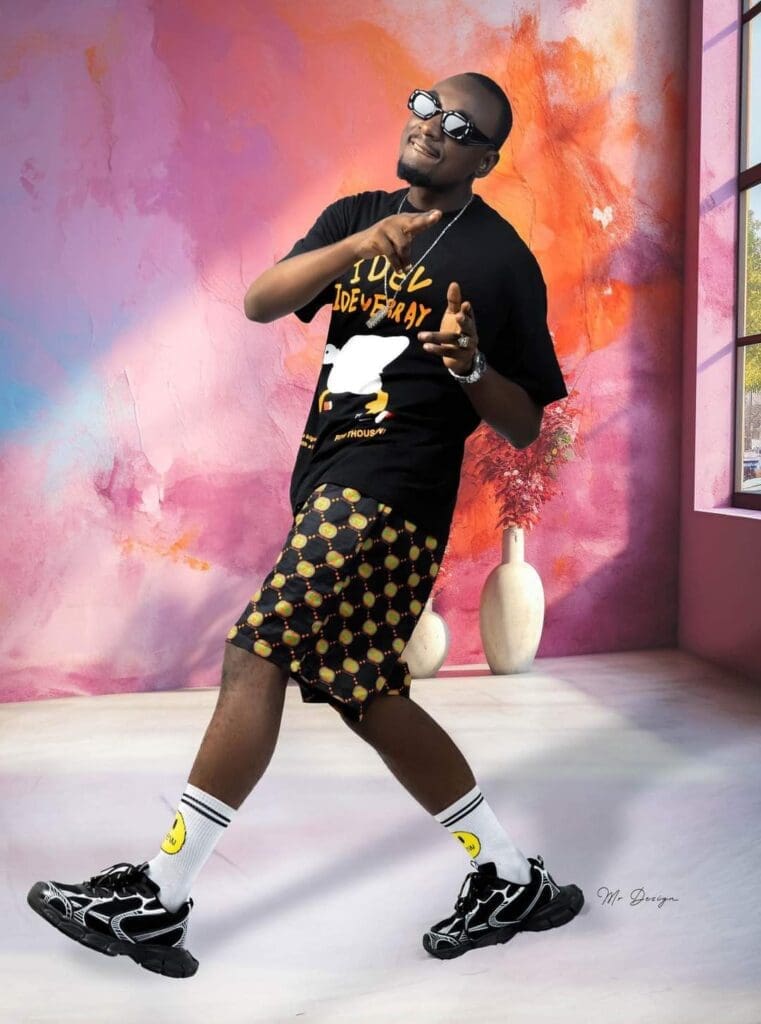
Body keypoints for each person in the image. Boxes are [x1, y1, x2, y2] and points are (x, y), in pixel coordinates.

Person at [27, 72, 583, 978]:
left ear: (484, 159)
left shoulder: (500, 259)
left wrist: (470, 365)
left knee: (258, 653)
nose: (430, 128)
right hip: (327, 481)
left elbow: (522, 423)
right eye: (424, 107)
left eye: (457, 126)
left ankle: (160, 898)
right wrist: (361, 244)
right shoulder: (357, 215)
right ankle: (511, 877)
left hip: (391, 493)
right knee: (368, 696)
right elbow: (261, 298)